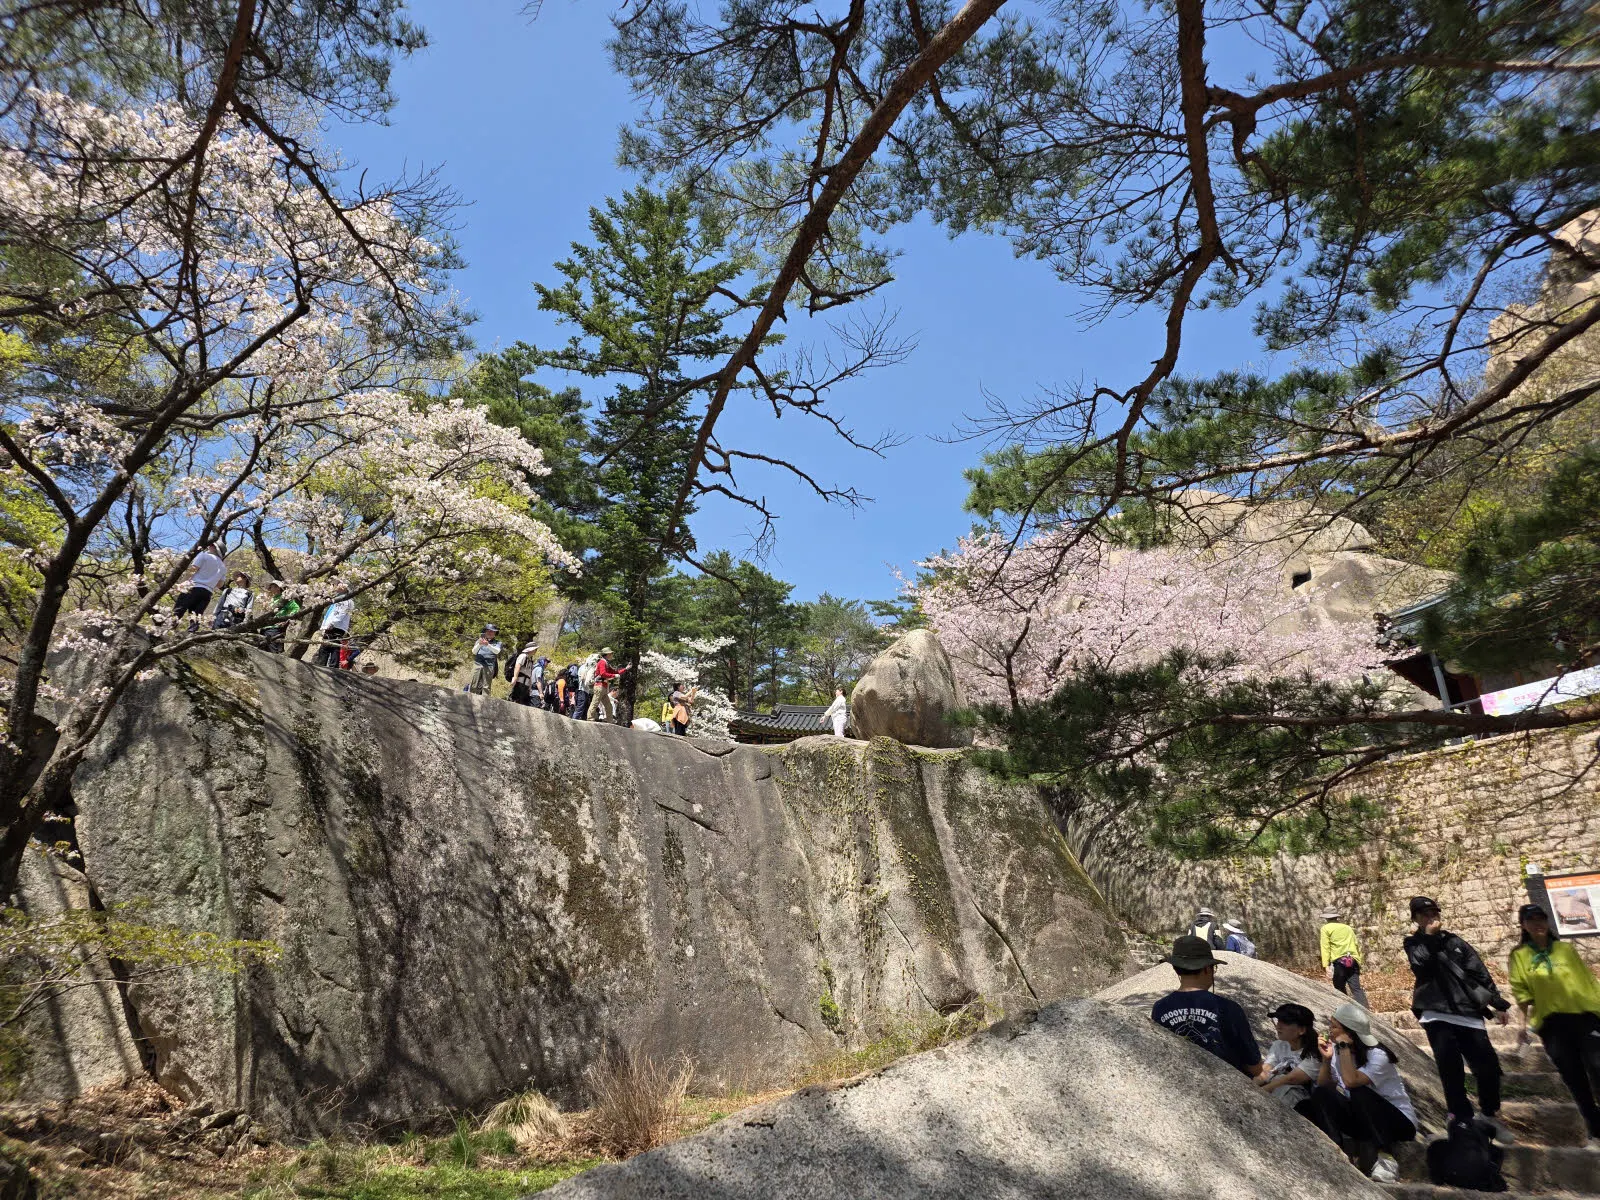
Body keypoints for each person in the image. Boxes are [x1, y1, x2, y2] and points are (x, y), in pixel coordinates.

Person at [1405, 894, 1515, 1144]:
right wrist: (1430, 938)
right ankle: (1460, 1116)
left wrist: (1497, 1002)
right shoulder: (1413, 943)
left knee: (1488, 1067)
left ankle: (1489, 1113)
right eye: (1423, 914)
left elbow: (1478, 970)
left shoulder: (1455, 941)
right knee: (1450, 1067)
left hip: (1467, 1011)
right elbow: (1420, 964)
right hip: (1435, 1011)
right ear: (1416, 919)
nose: (1430, 916)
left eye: (1433, 912)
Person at [1509, 902, 1600, 1150]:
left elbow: (1589, 981)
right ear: (1523, 925)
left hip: (1584, 1017)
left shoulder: (1565, 950)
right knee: (1574, 1078)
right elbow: (1522, 993)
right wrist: (1522, 1028)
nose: (1538, 924)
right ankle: (1595, 1128)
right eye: (1531, 920)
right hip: (1552, 1025)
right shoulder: (1519, 956)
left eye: (1541, 919)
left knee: (1597, 1065)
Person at [1313, 1003, 1418, 1183]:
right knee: (1321, 1093)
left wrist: (1344, 1047)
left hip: (1397, 1122)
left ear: (1350, 1032)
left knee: (1358, 1092)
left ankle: (1387, 1161)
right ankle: (1336, 1153)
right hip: (1363, 1120)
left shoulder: (1378, 1055)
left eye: (1334, 1026)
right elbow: (1324, 1084)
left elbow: (1351, 1081)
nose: (1329, 1030)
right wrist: (1326, 1060)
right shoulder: (1339, 1052)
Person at [1149, 934, 1265, 1077]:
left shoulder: (1159, 1008)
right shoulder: (1229, 1008)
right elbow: (1256, 1068)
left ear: (1175, 968)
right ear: (1207, 969)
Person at [1257, 1002, 1324, 1123]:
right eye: (1278, 1021)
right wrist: (1251, 1084)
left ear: (1302, 1030)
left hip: (1302, 1103)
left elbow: (1291, 1079)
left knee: (1286, 1085)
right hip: (1275, 1090)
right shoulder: (1279, 1045)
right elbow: (1266, 1070)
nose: (1278, 1026)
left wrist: (1259, 1092)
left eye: (1286, 1023)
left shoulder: (1314, 1053)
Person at [1320, 907, 1370, 1008]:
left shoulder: (1325, 928)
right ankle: (1366, 1011)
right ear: (1336, 917)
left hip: (1339, 962)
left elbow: (1325, 947)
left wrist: (1326, 966)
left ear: (1326, 918)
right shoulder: (1347, 928)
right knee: (1356, 989)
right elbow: (1356, 944)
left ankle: (1346, 1010)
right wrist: (1358, 961)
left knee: (1339, 987)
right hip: (1353, 960)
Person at [173, 542, 226, 632]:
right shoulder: (223, 566)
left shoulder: (204, 555)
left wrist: (183, 583)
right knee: (196, 616)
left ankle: (168, 630)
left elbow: (193, 570)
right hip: (207, 593)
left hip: (193, 587)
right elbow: (220, 585)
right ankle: (190, 635)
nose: (209, 545)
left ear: (213, 547)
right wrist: (211, 580)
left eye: (211, 544)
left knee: (179, 610)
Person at [314, 595, 353, 669]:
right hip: (333, 626)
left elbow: (341, 613)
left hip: (335, 626)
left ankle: (328, 666)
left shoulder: (345, 600)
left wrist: (332, 623)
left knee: (330, 647)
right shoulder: (340, 599)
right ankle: (324, 665)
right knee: (329, 646)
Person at [259, 582, 300, 654]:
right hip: (265, 628)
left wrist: (287, 619)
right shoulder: (271, 599)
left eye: (272, 586)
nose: (270, 589)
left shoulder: (285, 598)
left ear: (278, 588)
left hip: (276, 628)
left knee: (274, 651)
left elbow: (296, 608)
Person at [591, 648, 628, 723]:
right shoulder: (602, 662)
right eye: (611, 654)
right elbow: (603, 674)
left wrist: (626, 669)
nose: (611, 655)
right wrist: (614, 676)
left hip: (603, 686)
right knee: (595, 702)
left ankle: (610, 721)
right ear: (607, 654)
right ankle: (590, 718)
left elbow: (615, 671)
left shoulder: (606, 663)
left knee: (608, 706)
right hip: (599, 685)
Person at [509, 640, 542, 706]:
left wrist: (529, 686)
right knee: (515, 699)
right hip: (519, 682)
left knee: (522, 702)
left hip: (526, 684)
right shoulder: (523, 656)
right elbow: (517, 666)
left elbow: (529, 674)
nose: (536, 651)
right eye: (535, 649)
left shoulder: (530, 660)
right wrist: (515, 677)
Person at [574, 652, 599, 721]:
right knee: (580, 707)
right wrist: (594, 680)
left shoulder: (584, 667)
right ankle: (573, 721)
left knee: (583, 708)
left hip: (583, 690)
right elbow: (586, 680)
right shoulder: (586, 668)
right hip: (582, 690)